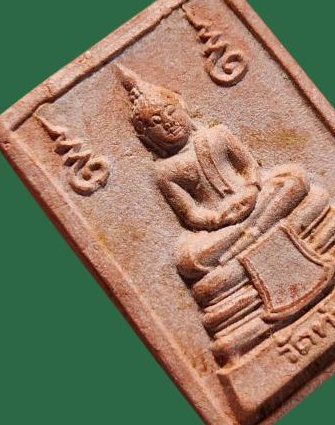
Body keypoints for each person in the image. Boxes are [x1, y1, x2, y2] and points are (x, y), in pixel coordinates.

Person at [116, 64, 312, 281]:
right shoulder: (165, 171)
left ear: (182, 107)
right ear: (147, 137)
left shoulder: (217, 134)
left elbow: (249, 167)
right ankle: (259, 230)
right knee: (188, 261)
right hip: (223, 226)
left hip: (257, 199)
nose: (168, 123)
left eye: (170, 112)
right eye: (156, 123)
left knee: (295, 177)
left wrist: (252, 189)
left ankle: (247, 242)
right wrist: (217, 218)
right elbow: (190, 213)